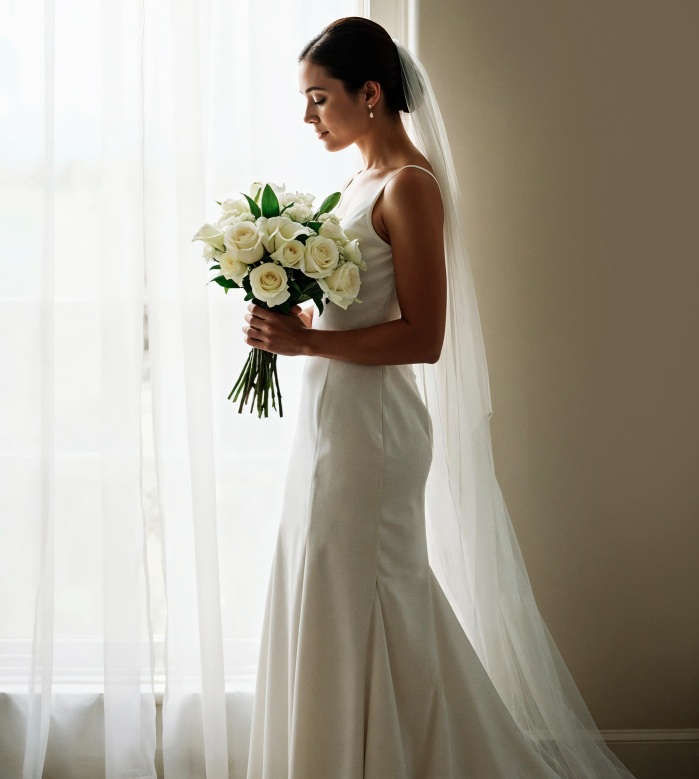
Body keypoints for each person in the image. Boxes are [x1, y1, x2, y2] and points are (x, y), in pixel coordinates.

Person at [243, 16, 636, 779]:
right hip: (330, 427)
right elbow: (354, 309)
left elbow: (424, 337)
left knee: (375, 597)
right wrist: (292, 319)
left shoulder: (410, 188)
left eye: (319, 98)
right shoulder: (353, 183)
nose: (307, 117)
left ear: (370, 92)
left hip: (375, 436)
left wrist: (310, 343)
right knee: (329, 589)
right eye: (305, 100)